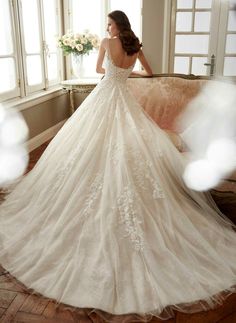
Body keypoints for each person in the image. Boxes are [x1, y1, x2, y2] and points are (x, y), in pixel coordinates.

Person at [0, 10, 236, 322]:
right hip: (124, 98)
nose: (106, 28)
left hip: (105, 97)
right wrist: (128, 75)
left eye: (108, 23)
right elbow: (148, 73)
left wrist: (113, 73)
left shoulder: (106, 42)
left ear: (114, 25)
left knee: (87, 148)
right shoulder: (135, 45)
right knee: (128, 150)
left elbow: (100, 70)